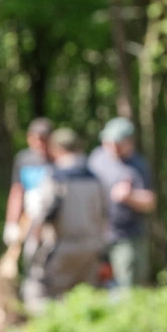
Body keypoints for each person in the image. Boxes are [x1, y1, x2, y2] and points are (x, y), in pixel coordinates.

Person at [22, 128, 109, 309]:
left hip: (62, 249)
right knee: (86, 302)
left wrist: (33, 245)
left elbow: (44, 213)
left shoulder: (55, 177)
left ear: (57, 149)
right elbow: (105, 214)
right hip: (92, 249)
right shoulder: (95, 178)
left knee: (48, 298)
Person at [87, 117, 156, 288]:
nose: (113, 148)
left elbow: (150, 202)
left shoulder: (138, 165)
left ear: (129, 142)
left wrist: (129, 196)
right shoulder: (96, 159)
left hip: (128, 237)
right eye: (108, 143)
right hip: (98, 235)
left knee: (129, 285)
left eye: (118, 143)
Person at [4, 118, 54, 247]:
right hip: (29, 220)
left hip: (52, 222)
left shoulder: (58, 159)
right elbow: (17, 191)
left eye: (43, 139)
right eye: (35, 139)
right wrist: (12, 222)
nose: (39, 144)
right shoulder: (23, 159)